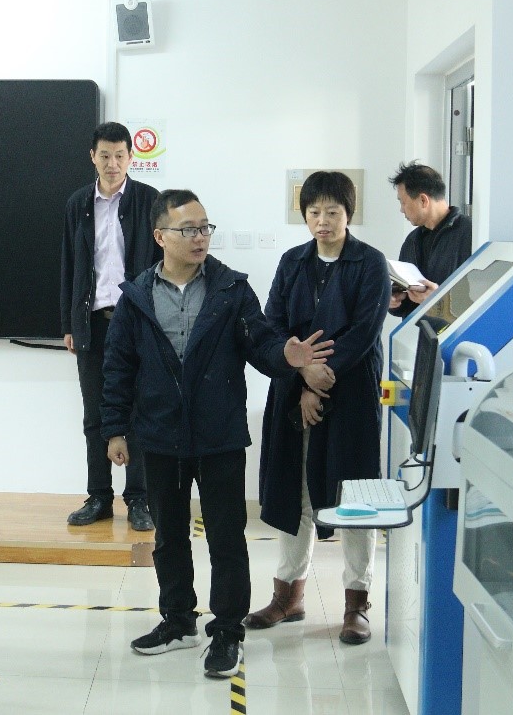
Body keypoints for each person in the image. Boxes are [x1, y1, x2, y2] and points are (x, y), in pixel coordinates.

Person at [102, 189, 333, 678]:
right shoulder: (136, 297)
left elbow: (261, 344)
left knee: (226, 538)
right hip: (160, 435)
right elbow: (118, 366)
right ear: (160, 236)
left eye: (205, 227)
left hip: (219, 435)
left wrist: (286, 357)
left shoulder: (231, 289)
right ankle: (178, 621)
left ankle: (228, 630)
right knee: (169, 537)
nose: (200, 237)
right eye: (188, 229)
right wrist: (115, 428)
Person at [246, 171, 390, 645]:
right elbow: (272, 325)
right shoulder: (292, 262)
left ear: (349, 214)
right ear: (304, 215)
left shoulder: (370, 263)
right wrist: (302, 374)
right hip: (295, 390)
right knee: (297, 492)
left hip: (350, 393)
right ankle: (288, 596)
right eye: (314, 212)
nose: (322, 221)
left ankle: (357, 603)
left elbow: (364, 332)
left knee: (354, 496)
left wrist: (320, 379)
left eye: (332, 212)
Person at [61, 122, 161, 530]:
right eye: (105, 155)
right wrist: (69, 323)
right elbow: (69, 265)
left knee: (138, 411)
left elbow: (161, 264)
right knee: (95, 415)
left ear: (131, 158)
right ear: (93, 157)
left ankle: (139, 498)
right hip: (93, 322)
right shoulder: (78, 203)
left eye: (120, 155)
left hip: (136, 320)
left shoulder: (148, 200)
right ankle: (99, 497)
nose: (113, 163)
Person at [387, 162, 473, 318]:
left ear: (423, 200)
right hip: (420, 332)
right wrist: (395, 300)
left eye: (403, 202)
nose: (401, 209)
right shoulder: (412, 241)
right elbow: (406, 303)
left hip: (458, 331)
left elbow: (482, 297)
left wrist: (438, 301)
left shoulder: (470, 233)